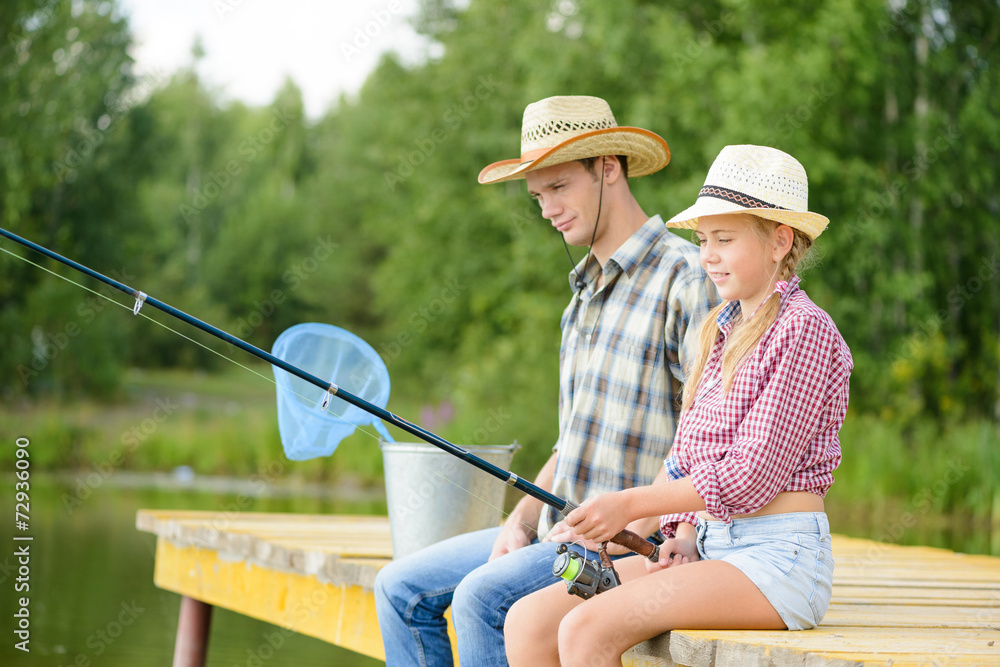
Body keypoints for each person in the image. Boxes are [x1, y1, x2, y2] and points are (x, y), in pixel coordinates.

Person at [373, 95, 718, 665]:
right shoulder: (579, 299)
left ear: (608, 168)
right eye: (537, 196)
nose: (546, 209)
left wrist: (632, 519)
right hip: (556, 534)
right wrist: (519, 518)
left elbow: (704, 438)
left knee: (482, 599)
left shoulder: (686, 279)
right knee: (398, 588)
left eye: (558, 187)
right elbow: (572, 439)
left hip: (629, 547)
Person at [503, 144, 854, 667]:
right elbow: (689, 452)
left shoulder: (804, 330)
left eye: (725, 239)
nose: (707, 254)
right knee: (528, 622)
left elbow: (750, 476)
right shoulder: (721, 328)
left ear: (780, 241)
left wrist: (628, 505)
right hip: (712, 546)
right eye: (703, 239)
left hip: (778, 561)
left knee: (584, 629)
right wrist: (684, 531)